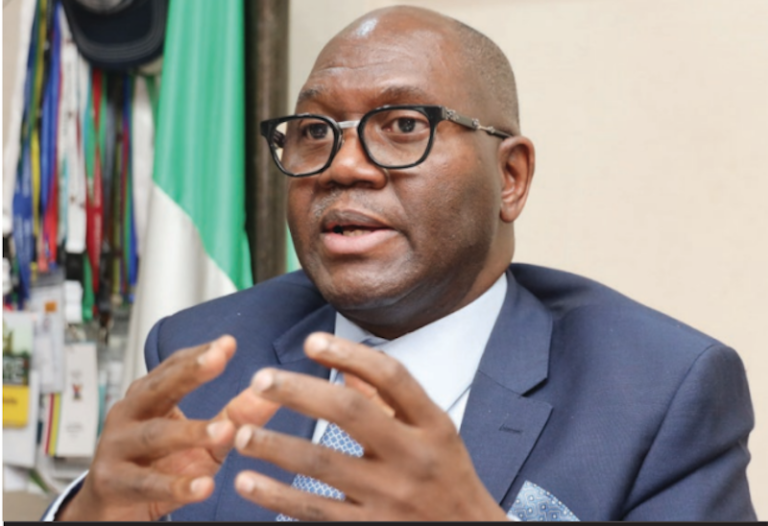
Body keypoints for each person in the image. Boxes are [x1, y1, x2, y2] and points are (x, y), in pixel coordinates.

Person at [48, 5, 756, 522]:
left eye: (403, 126)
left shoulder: (657, 392)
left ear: (510, 177)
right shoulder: (204, 351)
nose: (344, 166)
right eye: (314, 131)